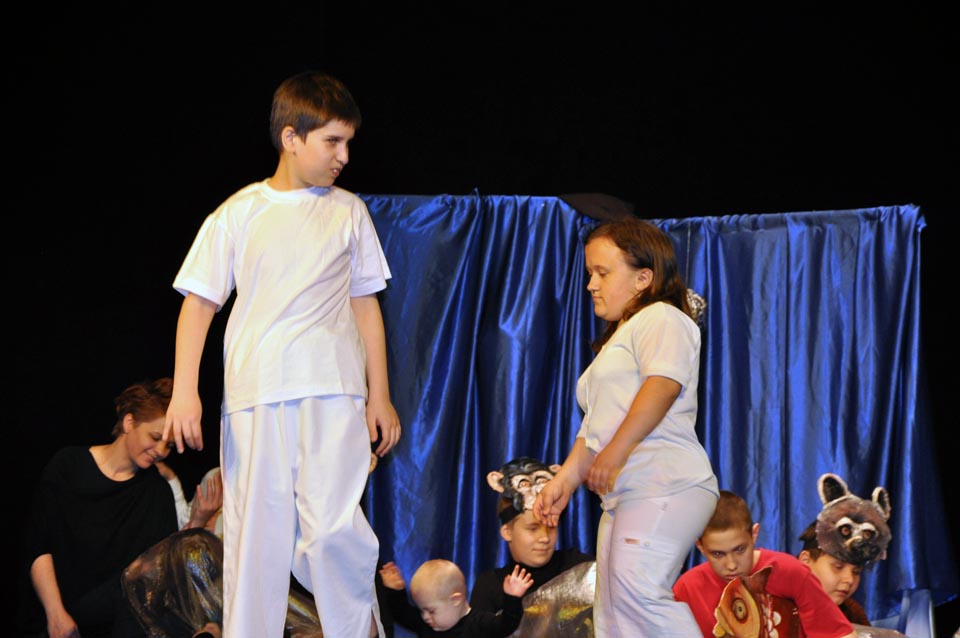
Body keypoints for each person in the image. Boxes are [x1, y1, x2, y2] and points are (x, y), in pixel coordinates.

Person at [162, 70, 401, 638]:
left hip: (334, 391)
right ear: (291, 137)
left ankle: (357, 630)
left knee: (334, 530)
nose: (344, 156)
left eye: (349, 142)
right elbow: (198, 304)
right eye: (332, 142)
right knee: (256, 537)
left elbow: (366, 305)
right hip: (258, 392)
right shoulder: (240, 212)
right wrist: (184, 391)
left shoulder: (349, 212)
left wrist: (381, 395)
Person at [532, 217, 719, 637]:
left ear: (643, 278)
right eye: (589, 274)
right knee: (614, 616)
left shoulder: (663, 317)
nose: (591, 285)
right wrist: (564, 481)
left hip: (666, 484)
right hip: (627, 494)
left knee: (638, 596)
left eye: (602, 272)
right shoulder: (620, 338)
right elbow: (595, 429)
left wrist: (616, 451)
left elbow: (663, 386)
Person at [19, 377, 221, 638]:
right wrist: (55, 613)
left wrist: (198, 522)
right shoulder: (68, 466)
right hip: (53, 620)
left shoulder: (156, 491)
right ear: (128, 422)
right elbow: (39, 544)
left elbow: (158, 570)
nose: (161, 450)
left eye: (169, 445)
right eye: (155, 437)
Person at [672, 490, 857, 638]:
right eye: (718, 554)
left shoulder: (792, 573)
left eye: (739, 550)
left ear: (754, 534)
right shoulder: (687, 588)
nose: (731, 565)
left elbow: (840, 634)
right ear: (700, 546)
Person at [471, 457, 593, 615]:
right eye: (532, 528)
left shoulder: (580, 570)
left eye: (551, 527)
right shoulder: (490, 587)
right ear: (507, 532)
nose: (545, 538)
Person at [378, 559, 533, 637]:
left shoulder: (478, 625)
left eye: (431, 611)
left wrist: (512, 598)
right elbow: (401, 613)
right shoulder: (427, 626)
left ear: (455, 600)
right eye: (422, 610)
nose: (425, 617)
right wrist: (395, 591)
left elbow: (507, 624)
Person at [797, 521, 870, 625]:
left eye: (856, 572)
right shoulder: (776, 605)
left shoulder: (852, 613)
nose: (850, 580)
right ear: (806, 561)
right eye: (838, 567)